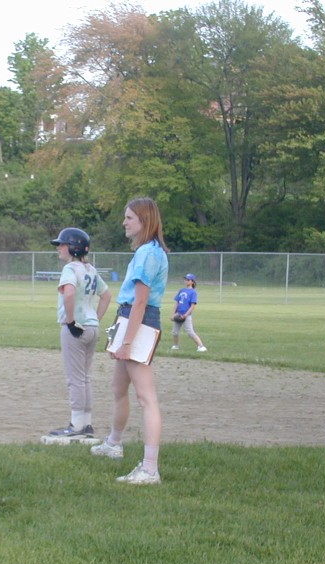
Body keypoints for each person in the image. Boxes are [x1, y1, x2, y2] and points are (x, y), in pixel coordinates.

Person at [91, 197, 169, 485]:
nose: (124, 222)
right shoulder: (147, 251)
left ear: (144, 221)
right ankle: (114, 443)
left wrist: (127, 342)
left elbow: (141, 302)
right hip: (129, 320)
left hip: (140, 321)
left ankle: (150, 469)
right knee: (118, 387)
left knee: (146, 398)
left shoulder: (149, 253)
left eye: (129, 218)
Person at [47, 228, 112, 440]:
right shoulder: (90, 269)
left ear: (72, 247)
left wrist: (71, 321)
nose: (58, 247)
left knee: (75, 378)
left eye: (62, 244)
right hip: (92, 327)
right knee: (84, 377)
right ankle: (86, 423)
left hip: (75, 327)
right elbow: (107, 295)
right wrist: (95, 318)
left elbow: (69, 293)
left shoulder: (70, 269)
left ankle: (76, 425)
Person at [170, 273, 207, 352]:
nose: (186, 281)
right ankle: (176, 346)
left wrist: (186, 315)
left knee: (190, 332)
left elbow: (192, 306)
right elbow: (176, 303)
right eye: (185, 279)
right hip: (178, 314)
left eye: (188, 280)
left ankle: (201, 346)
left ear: (192, 282)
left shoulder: (193, 292)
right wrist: (173, 314)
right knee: (175, 332)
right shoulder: (182, 290)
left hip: (186, 315)